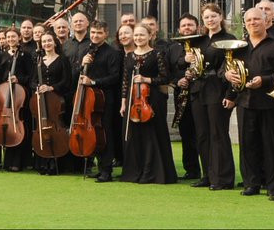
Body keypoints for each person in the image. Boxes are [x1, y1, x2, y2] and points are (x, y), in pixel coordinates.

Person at [228, 7, 274, 197]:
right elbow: (224, 68)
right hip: (245, 101)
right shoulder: (238, 46)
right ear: (245, 23)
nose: (253, 23)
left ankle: (273, 185)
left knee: (272, 145)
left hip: (270, 102)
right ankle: (251, 184)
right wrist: (227, 74)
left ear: (266, 21)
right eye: (249, 20)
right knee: (247, 145)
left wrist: (265, 80)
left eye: (256, 19)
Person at [187, 3, 236, 191]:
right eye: (206, 17)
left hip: (218, 90)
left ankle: (223, 178)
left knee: (218, 134)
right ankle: (208, 175)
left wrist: (231, 95)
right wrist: (188, 62)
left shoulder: (229, 39)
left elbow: (232, 68)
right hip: (198, 90)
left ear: (220, 17)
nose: (210, 20)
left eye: (213, 16)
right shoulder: (198, 40)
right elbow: (186, 64)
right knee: (202, 135)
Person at [120, 24, 176, 184]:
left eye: (142, 35)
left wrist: (146, 79)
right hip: (133, 101)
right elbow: (125, 81)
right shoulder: (129, 56)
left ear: (150, 36)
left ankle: (152, 173)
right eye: (136, 35)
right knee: (134, 137)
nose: (138, 38)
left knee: (151, 136)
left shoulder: (157, 54)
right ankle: (135, 172)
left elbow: (165, 78)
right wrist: (123, 102)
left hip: (152, 100)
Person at [77, 20, 121, 182]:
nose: (95, 36)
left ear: (106, 34)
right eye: (93, 32)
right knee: (94, 133)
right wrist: (82, 65)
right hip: (89, 99)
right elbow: (79, 74)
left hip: (105, 99)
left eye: (99, 33)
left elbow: (115, 77)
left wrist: (94, 82)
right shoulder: (87, 51)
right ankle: (99, 166)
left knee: (105, 133)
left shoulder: (112, 53)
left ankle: (107, 170)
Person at [166, 13, 202, 179]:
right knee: (186, 134)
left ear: (197, 27)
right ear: (179, 29)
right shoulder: (173, 48)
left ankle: (210, 171)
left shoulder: (203, 44)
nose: (187, 28)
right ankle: (191, 170)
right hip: (181, 96)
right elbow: (167, 72)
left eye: (190, 25)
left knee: (203, 134)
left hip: (200, 95)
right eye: (184, 25)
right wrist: (177, 81)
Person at [0, 26, 33, 172]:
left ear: (19, 38)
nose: (10, 39)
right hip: (5, 93)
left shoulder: (25, 55)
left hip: (20, 94)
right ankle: (7, 160)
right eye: (8, 37)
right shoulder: (2, 55)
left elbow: (31, 76)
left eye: (13, 37)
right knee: (7, 125)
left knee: (19, 126)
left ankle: (19, 161)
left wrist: (19, 79)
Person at [29, 32, 68, 174]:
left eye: (49, 41)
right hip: (41, 99)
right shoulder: (38, 61)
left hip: (56, 99)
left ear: (55, 42)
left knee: (57, 127)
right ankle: (43, 160)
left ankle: (56, 161)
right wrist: (37, 88)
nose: (47, 44)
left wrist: (51, 88)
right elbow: (32, 81)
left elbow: (66, 81)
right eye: (44, 42)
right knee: (42, 127)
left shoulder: (62, 60)